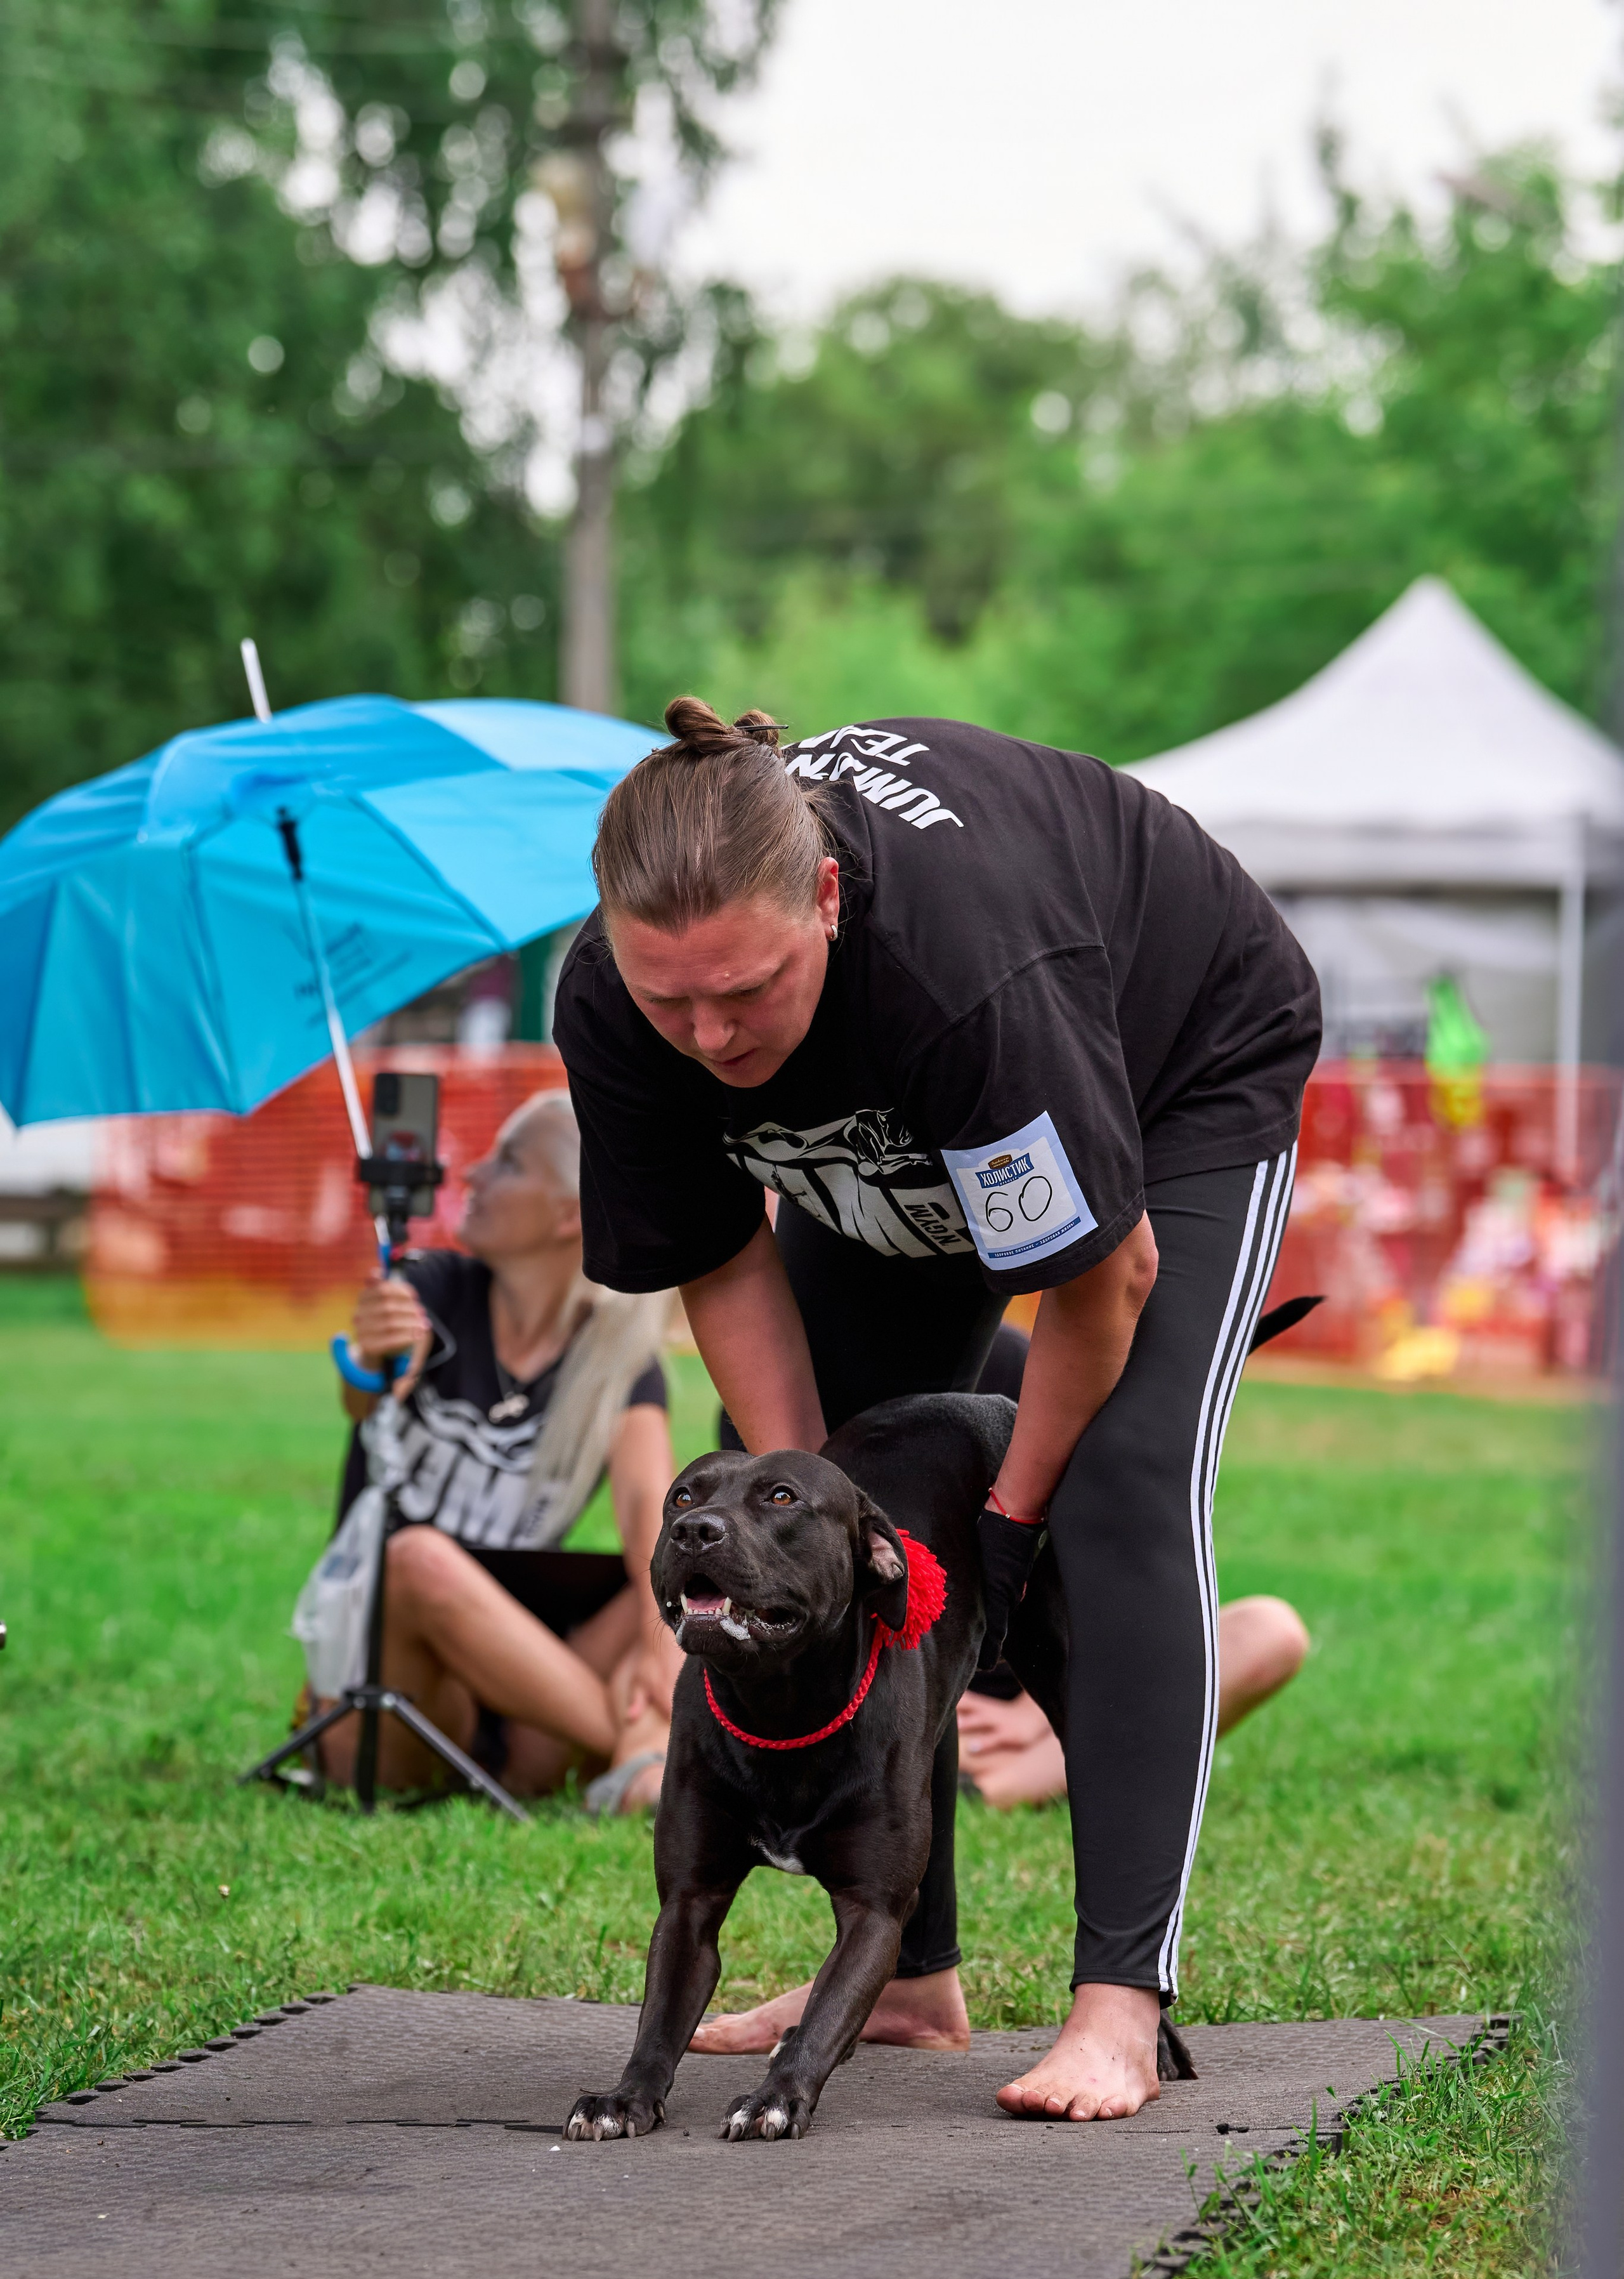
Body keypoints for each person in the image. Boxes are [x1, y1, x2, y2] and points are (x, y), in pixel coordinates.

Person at [554, 701, 1321, 2121]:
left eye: (748, 989)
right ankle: (909, 1976)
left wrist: (1013, 1520)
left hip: (1171, 1065)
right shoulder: (610, 1000)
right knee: (841, 1512)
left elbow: (1104, 1284)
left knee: (1115, 1483)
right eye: (675, 1003)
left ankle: (1117, 2005)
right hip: (902, 1123)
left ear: (826, 900)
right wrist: (819, 1491)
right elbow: (717, 1260)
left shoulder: (956, 967)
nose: (711, 1035)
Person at [312, 1089, 680, 1812]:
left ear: (569, 1213)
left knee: (654, 1585)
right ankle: (656, 1760)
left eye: (507, 1163)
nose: (471, 1174)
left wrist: (661, 1639)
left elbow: (648, 1510)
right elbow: (367, 1388)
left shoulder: (616, 1359)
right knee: (416, 1559)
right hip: (387, 1699)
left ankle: (643, 1761)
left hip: (522, 1700)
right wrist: (376, 1354)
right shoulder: (431, 1288)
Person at [958, 1323, 1310, 1806]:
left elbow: (1126, 1576)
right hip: (917, 1694)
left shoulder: (1026, 1368)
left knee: (1271, 1631)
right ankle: (981, 1777)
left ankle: (995, 1787)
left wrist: (1030, 1712)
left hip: (1058, 1691)